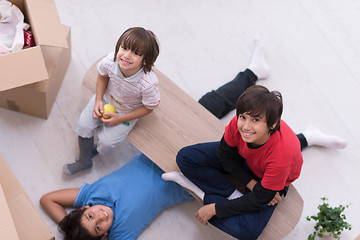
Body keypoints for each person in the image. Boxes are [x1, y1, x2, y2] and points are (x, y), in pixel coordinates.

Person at [162, 40, 347, 239]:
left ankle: (203, 193)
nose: (246, 126)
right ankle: (232, 194)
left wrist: (215, 208)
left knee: (247, 232)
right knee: (186, 158)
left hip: (270, 176)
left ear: (272, 124)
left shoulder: (280, 158)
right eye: (243, 116)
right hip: (248, 162)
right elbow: (225, 157)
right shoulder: (238, 124)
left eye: (256, 120)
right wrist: (249, 185)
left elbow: (261, 199)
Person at [63, 27, 161, 175]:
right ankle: (85, 160)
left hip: (128, 110)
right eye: (124, 48)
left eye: (135, 53)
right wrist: (97, 100)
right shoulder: (109, 61)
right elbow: (102, 75)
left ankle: (92, 151)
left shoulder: (148, 84)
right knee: (83, 124)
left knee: (106, 144)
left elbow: (149, 108)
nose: (126, 55)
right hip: (106, 98)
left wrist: (121, 118)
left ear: (145, 60)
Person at [41, 153, 194, 240]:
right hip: (188, 179)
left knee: (208, 105)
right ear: (103, 236)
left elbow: (48, 200)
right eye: (98, 227)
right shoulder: (121, 233)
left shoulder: (91, 196)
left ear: (84, 208)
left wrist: (70, 227)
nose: (100, 216)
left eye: (90, 216)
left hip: (156, 150)